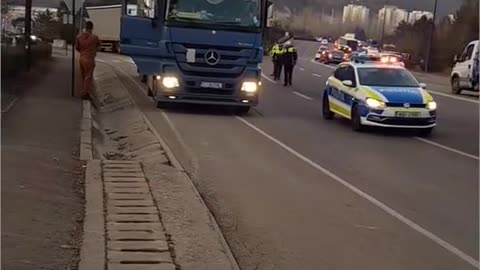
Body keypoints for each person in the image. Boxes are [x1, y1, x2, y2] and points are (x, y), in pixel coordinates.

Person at [75, 21, 100, 99]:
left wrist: (82, 51)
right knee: (88, 77)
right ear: (92, 28)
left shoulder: (79, 37)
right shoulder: (94, 37)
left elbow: (77, 47)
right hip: (89, 59)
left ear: (85, 27)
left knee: (83, 76)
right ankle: (85, 93)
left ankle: (84, 90)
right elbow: (99, 46)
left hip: (81, 58)